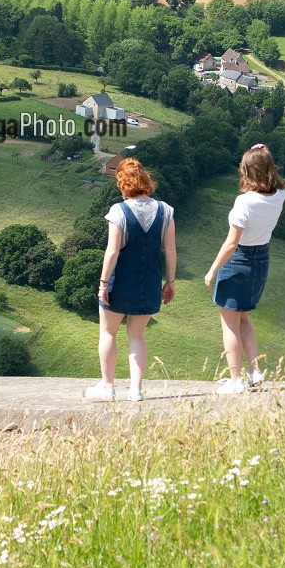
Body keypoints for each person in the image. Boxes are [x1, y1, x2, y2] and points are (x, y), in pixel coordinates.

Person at [84, 158, 176, 403]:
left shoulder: (118, 211)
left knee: (108, 333)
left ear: (123, 184)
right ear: (145, 179)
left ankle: (108, 387)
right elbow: (170, 250)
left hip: (119, 283)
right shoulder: (166, 210)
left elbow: (112, 251)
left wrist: (103, 283)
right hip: (149, 284)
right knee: (137, 336)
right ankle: (136, 391)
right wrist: (170, 281)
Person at [204, 144, 285, 395]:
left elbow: (231, 243)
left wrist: (212, 270)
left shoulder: (244, 202)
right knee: (244, 318)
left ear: (247, 171)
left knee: (229, 323)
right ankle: (254, 371)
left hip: (239, 260)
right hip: (262, 259)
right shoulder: (280, 195)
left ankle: (236, 380)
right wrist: (264, 152)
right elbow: (269, 171)